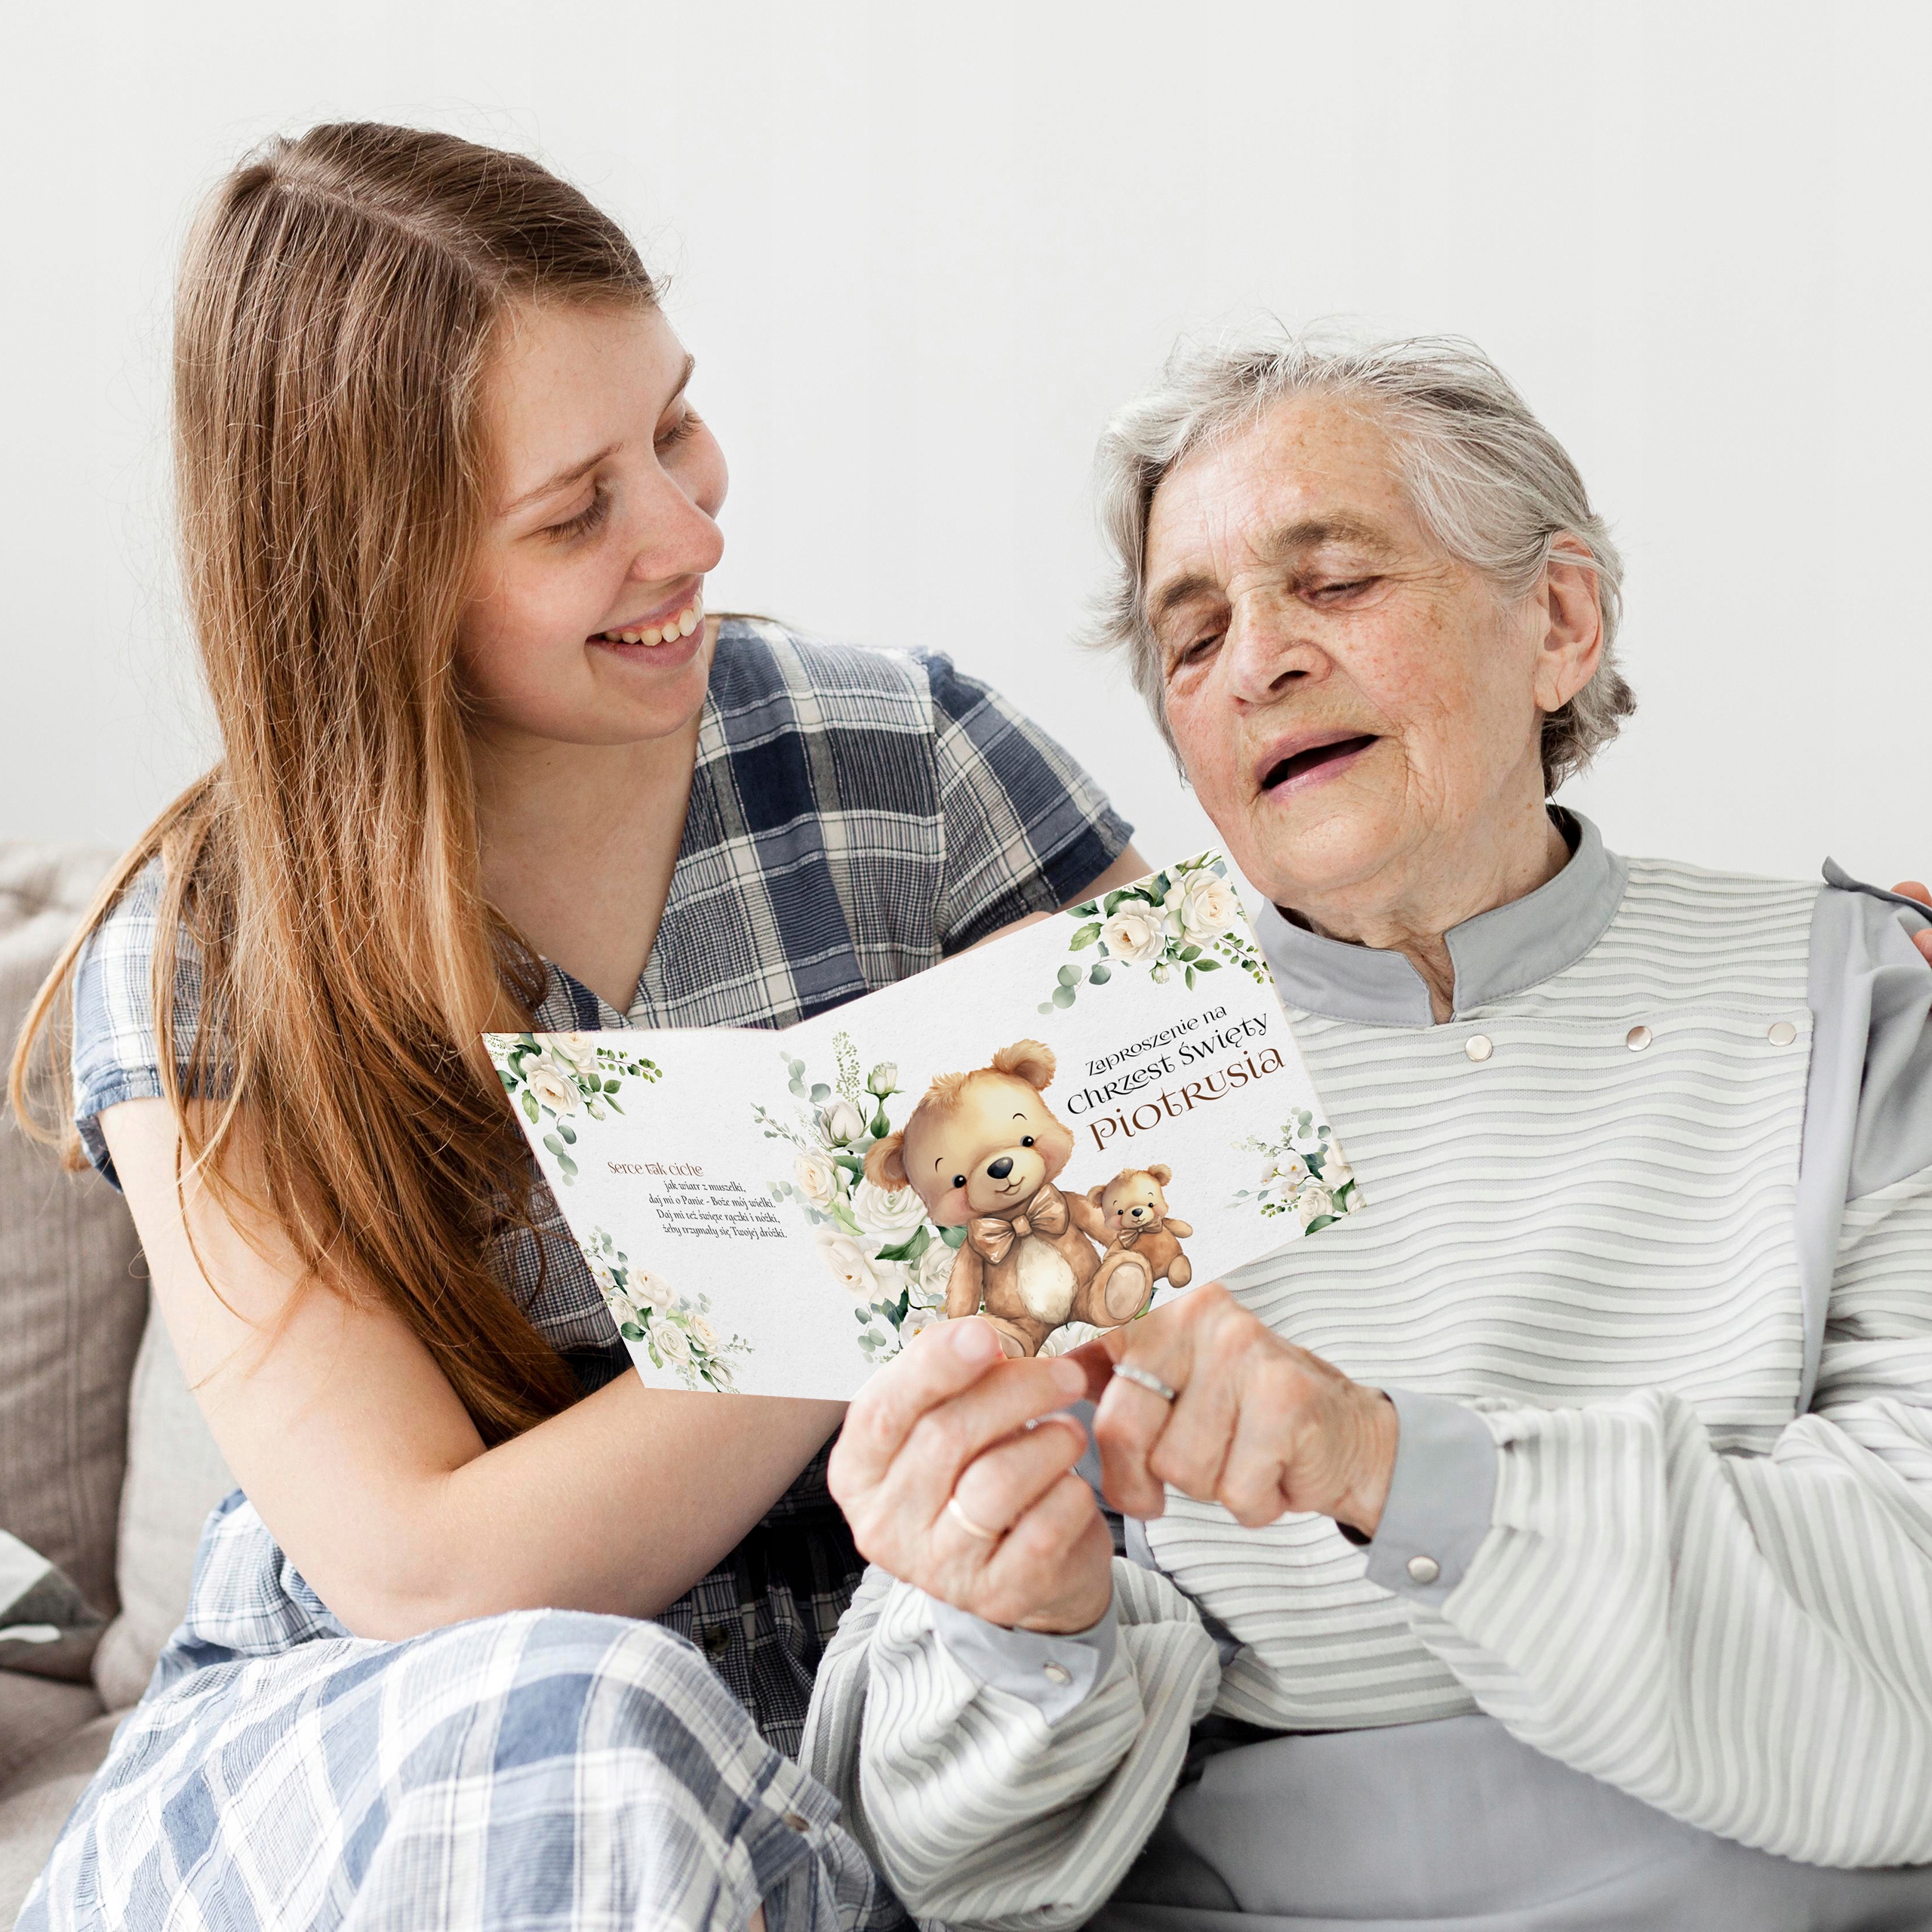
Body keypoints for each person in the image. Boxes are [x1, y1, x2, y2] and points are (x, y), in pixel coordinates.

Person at [7, 122, 1146, 1932]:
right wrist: (887, 1245)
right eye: (573, 511)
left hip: (903, 1673)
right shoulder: (206, 957)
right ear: (375, 573)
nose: (692, 531)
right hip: (419, 1742)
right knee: (592, 1715)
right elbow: (430, 1568)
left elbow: (1202, 1191)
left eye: (674, 427)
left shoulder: (907, 764)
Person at [809, 334, 1932, 1930]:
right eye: (1188, 637)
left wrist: (1382, 1461)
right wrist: (1021, 1626)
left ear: (1555, 619)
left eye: (1328, 583)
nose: (1252, 661)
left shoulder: (1854, 994)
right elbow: (954, 1866)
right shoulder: (1042, 1110)